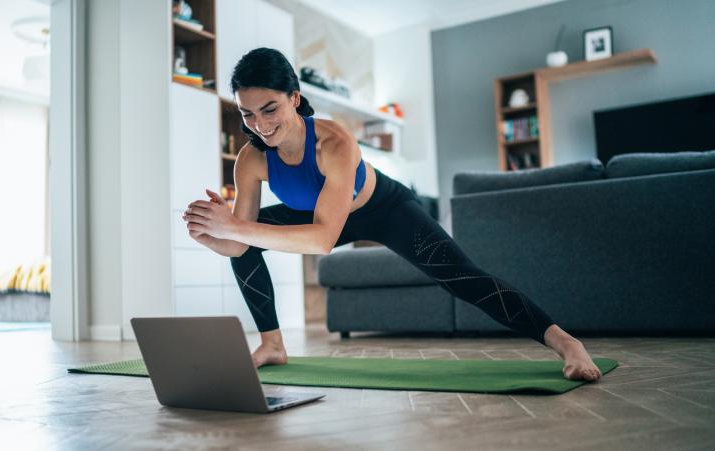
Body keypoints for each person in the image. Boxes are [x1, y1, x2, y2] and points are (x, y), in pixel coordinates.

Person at [182, 48, 602, 381]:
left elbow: (323, 239)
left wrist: (236, 227)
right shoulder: (250, 159)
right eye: (246, 113)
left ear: (294, 98)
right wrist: (215, 234)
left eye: (269, 109)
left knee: (462, 277)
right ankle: (272, 344)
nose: (258, 124)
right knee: (246, 248)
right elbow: (241, 243)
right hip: (318, 216)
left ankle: (566, 343)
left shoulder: (334, 143)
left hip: (383, 209)